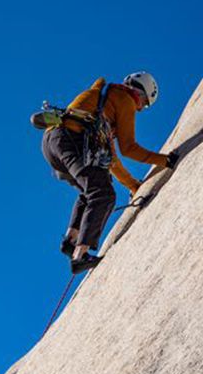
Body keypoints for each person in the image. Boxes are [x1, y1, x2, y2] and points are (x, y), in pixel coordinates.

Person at [42, 72, 179, 274]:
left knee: (90, 189)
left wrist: (133, 185)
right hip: (70, 139)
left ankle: (71, 240)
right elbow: (129, 148)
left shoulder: (105, 99)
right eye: (145, 104)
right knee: (103, 194)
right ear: (141, 94)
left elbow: (111, 159)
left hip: (52, 142)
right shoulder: (124, 99)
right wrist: (167, 160)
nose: (140, 109)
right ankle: (80, 255)